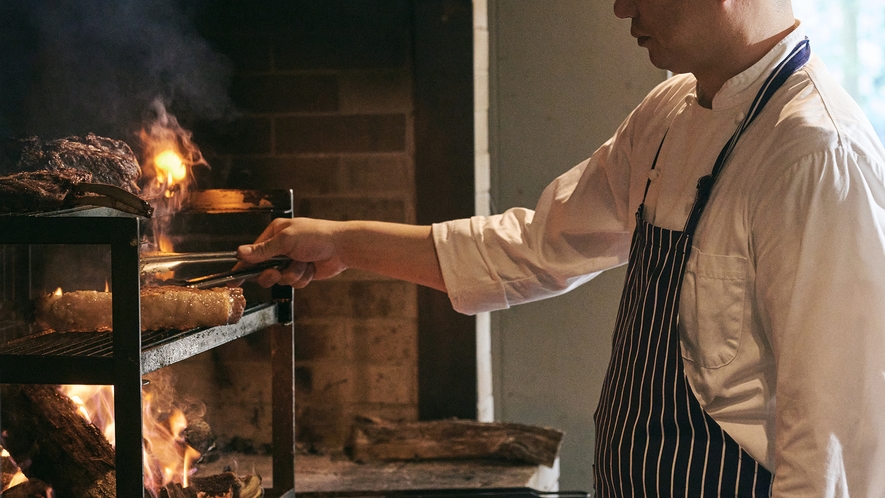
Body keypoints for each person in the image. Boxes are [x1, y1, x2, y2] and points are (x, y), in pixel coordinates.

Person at [237, 0, 885, 496]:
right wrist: (343, 242)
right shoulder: (667, 113)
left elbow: (835, 446)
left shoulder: (814, 155)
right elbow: (534, 248)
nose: (620, 8)